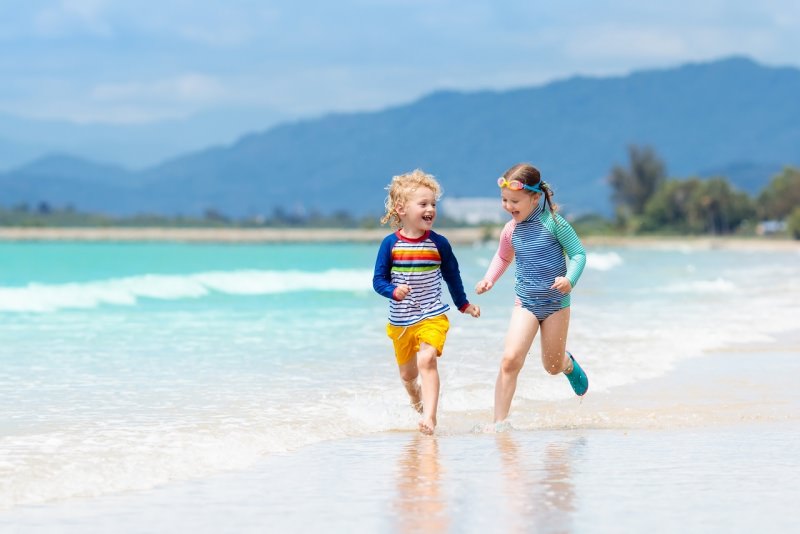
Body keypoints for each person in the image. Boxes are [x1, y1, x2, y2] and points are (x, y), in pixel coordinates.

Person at [474, 163, 588, 428]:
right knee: (510, 359)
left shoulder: (555, 224)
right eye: (504, 200)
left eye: (515, 201)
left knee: (551, 366)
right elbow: (503, 256)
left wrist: (569, 280)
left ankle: (567, 364)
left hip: (556, 305)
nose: (508, 206)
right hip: (525, 303)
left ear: (535, 197)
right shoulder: (510, 230)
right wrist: (489, 279)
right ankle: (499, 423)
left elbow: (579, 254)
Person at [373, 169, 480, 435]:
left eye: (433, 204)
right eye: (423, 204)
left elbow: (452, 276)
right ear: (401, 209)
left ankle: (430, 418)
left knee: (427, 360)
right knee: (409, 378)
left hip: (433, 315)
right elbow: (378, 280)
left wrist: (463, 304)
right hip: (400, 322)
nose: (430, 209)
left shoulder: (439, 244)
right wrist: (393, 290)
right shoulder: (390, 245)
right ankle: (416, 400)